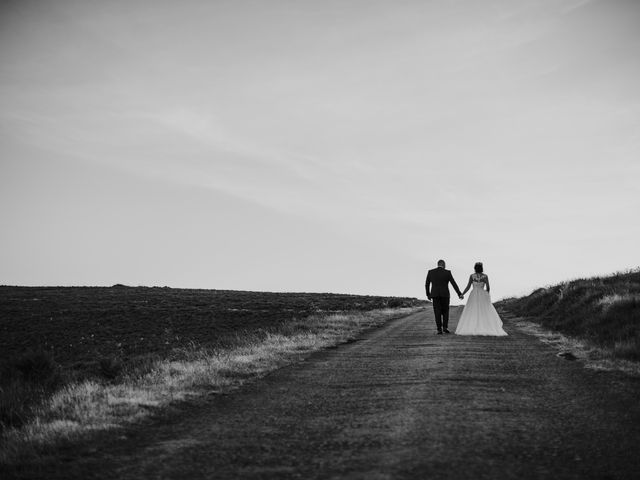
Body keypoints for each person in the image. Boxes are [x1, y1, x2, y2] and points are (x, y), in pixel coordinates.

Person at [455, 262, 507, 336]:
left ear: (475, 268)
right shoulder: (485, 276)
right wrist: (487, 294)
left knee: (473, 310)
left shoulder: (472, 276)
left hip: (473, 295)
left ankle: (472, 326)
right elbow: (488, 287)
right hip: (482, 294)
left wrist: (462, 294)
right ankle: (484, 326)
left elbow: (468, 287)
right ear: (482, 268)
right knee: (484, 310)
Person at [425, 259, 463, 334]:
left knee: (437, 312)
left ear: (438, 264)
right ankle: (445, 328)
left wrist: (428, 294)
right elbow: (453, 284)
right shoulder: (447, 272)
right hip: (445, 295)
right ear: (443, 264)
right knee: (445, 311)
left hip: (435, 295)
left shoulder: (431, 272)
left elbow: (427, 284)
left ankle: (439, 329)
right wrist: (459, 293)